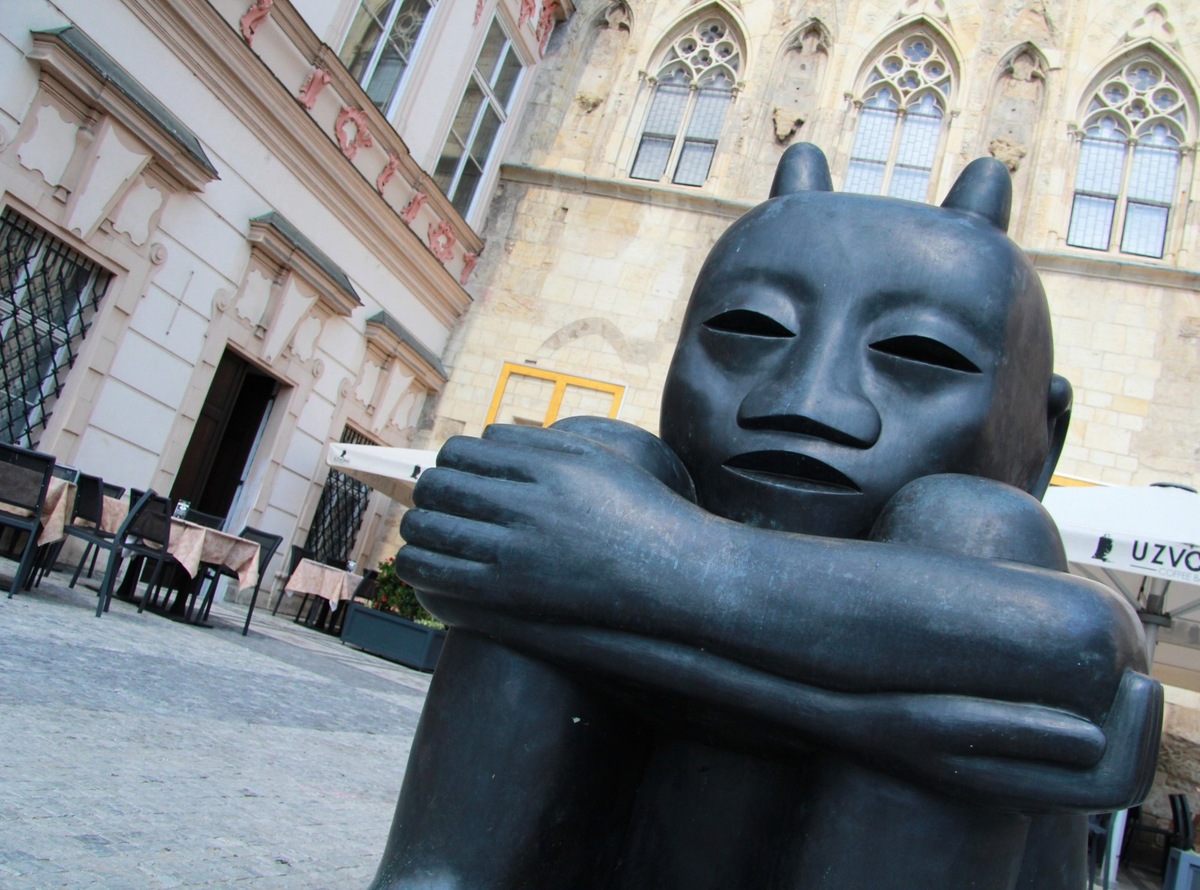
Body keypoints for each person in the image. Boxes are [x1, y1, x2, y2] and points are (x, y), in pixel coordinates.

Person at [373, 144, 1161, 890]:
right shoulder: (616, 481)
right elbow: (463, 529)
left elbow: (1074, 653)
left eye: (921, 357)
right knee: (599, 454)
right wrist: (872, 692)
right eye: (749, 330)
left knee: (973, 530)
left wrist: (628, 557)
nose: (807, 402)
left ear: (1042, 439)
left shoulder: (596, 530)